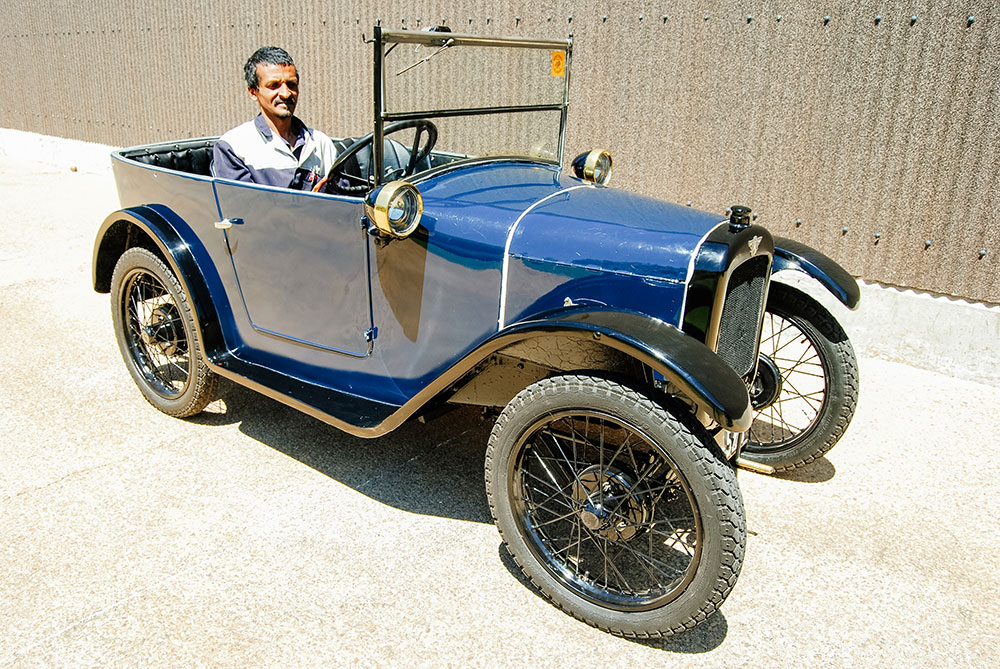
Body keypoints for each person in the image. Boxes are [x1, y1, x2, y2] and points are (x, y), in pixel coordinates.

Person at [213, 47, 336, 190]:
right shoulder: (234, 146)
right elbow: (241, 202)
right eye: (274, 85)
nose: (285, 93)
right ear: (253, 92)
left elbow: (343, 198)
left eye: (291, 84)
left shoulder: (321, 143)